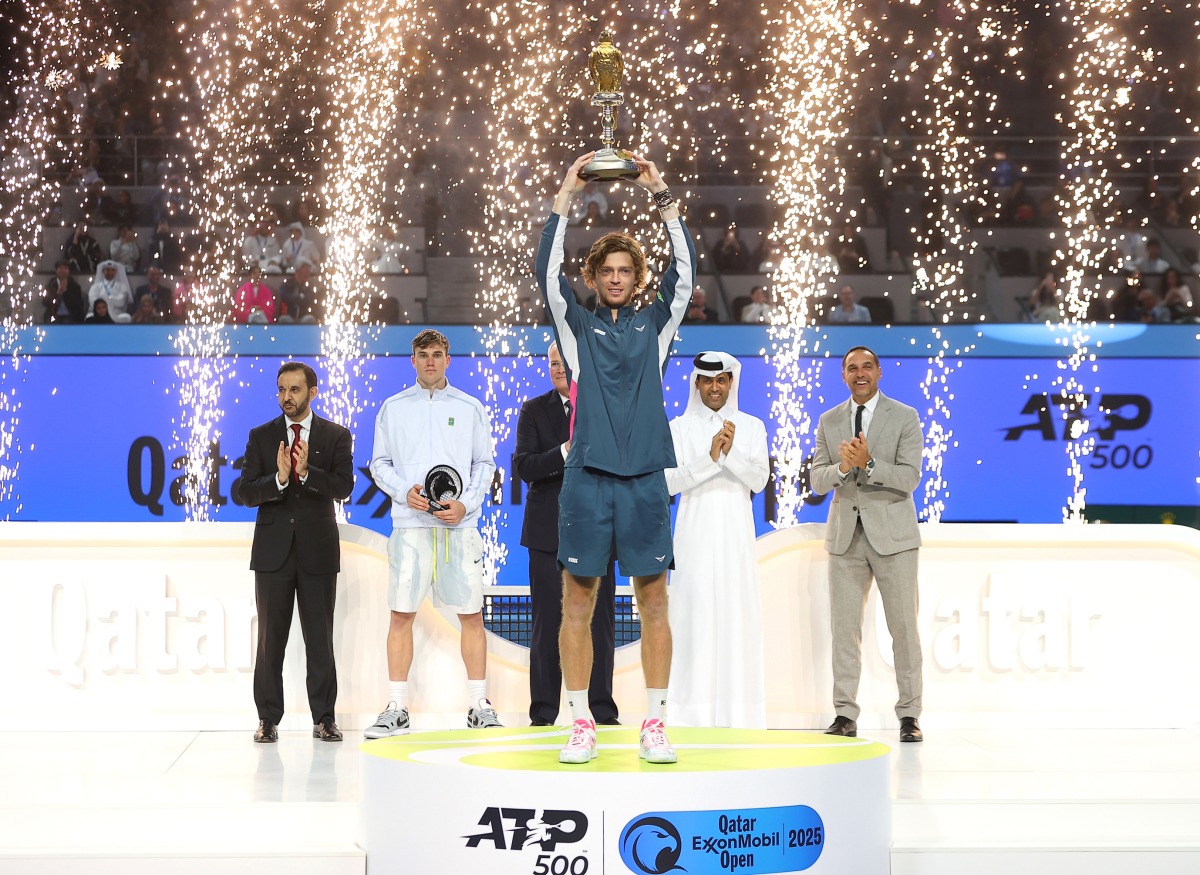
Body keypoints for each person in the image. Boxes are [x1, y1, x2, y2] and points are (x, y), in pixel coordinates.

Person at [536, 150, 694, 765]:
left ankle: (655, 723)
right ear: (595, 276)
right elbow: (546, 276)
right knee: (577, 603)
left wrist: (660, 192)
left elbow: (686, 274)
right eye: (608, 271)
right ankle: (580, 723)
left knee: (653, 602)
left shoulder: (657, 325)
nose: (618, 278)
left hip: (645, 480)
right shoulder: (576, 328)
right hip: (587, 481)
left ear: (638, 277)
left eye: (627, 270)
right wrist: (565, 195)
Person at [366, 329, 501, 737]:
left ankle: (479, 704)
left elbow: (484, 465)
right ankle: (397, 707)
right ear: (412, 360)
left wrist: (466, 504)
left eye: (437, 354)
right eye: (423, 354)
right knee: (400, 614)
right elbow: (379, 464)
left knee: (471, 615)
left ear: (447, 359)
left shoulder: (470, 407)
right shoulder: (393, 408)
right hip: (410, 527)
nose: (430, 361)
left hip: (458, 528)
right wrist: (403, 492)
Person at [811, 346, 923, 743]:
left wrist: (869, 464)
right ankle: (844, 714)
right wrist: (843, 467)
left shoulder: (905, 416)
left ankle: (909, 715)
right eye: (852, 368)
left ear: (879, 372)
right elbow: (817, 480)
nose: (860, 374)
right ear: (843, 375)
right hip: (846, 538)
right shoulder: (829, 420)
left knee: (904, 629)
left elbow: (910, 478)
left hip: (895, 538)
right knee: (845, 631)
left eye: (867, 367)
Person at [238, 361, 354, 744]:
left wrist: (306, 474)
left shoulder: (336, 436)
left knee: (320, 639)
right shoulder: (261, 436)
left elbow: (343, 486)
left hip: (317, 551)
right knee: (270, 642)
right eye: (281, 389)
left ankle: (324, 718)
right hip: (273, 554)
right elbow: (245, 492)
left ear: (312, 392)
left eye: (294, 389)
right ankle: (267, 719)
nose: (286, 397)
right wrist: (280, 479)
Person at [513, 342, 618, 728]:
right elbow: (525, 466)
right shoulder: (533, 410)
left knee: (600, 623)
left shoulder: (604, 405)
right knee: (546, 623)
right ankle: (544, 712)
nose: (559, 369)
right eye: (553, 364)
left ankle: (602, 710)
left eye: (565, 363)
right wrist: (565, 451)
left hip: (596, 527)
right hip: (547, 532)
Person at [664, 351, 769, 728]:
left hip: (735, 540)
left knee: (736, 620)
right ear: (696, 384)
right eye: (707, 381)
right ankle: (688, 715)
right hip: (692, 539)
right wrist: (710, 459)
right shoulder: (677, 427)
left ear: (730, 382)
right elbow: (668, 482)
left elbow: (759, 480)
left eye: (721, 380)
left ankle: (738, 714)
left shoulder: (752, 427)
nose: (714, 387)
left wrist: (730, 454)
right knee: (691, 620)